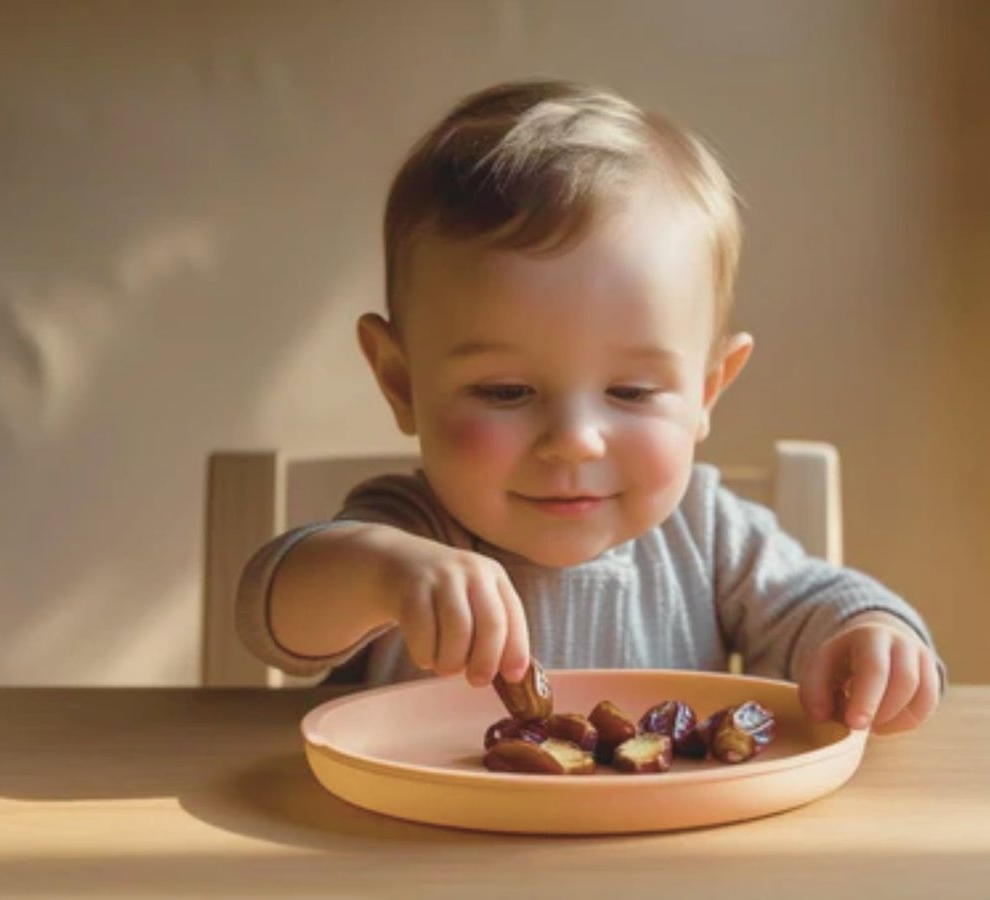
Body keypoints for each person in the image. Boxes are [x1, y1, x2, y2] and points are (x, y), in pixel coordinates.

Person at [237, 79, 943, 734]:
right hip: (432, 857)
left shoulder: (710, 534)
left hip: (666, 856)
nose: (574, 441)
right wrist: (386, 573)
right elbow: (278, 615)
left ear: (707, 390)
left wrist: (875, 636)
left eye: (631, 392)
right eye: (506, 392)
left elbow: (820, 604)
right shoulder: (414, 530)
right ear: (400, 383)